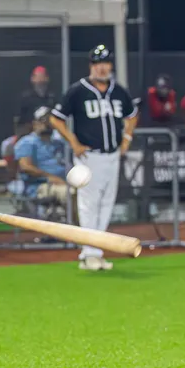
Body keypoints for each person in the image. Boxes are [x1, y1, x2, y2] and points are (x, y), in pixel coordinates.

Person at [50, 44, 138, 271]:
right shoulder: (78, 90)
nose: (102, 68)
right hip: (90, 156)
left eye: (106, 63)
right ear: (91, 65)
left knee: (106, 204)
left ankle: (96, 252)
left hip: (112, 156)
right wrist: (74, 142)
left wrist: (126, 138)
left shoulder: (118, 91)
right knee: (89, 205)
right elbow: (56, 118)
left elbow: (132, 115)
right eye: (98, 63)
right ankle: (89, 253)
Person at [14, 107, 70, 203]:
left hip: (65, 182)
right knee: (69, 193)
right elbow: (25, 167)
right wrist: (50, 177)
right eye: (44, 120)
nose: (48, 123)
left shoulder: (59, 143)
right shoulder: (28, 142)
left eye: (50, 120)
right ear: (35, 123)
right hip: (39, 186)